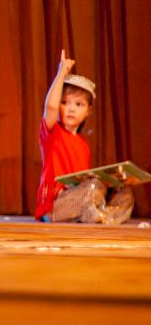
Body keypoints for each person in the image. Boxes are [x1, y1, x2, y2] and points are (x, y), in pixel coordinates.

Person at [36, 50, 132, 224]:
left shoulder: (83, 145)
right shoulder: (52, 133)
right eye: (65, 103)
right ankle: (97, 214)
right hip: (55, 207)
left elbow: (81, 181)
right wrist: (61, 73)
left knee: (123, 190)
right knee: (92, 187)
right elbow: (50, 107)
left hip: (79, 201)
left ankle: (103, 216)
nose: (71, 109)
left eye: (79, 104)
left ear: (88, 111)